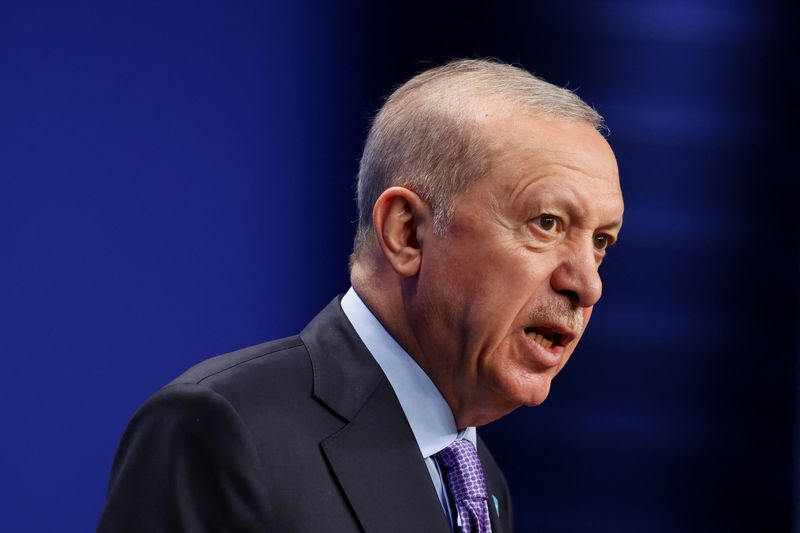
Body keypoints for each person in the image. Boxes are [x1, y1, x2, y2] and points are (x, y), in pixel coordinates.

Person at [97, 58, 624, 533]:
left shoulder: (479, 481)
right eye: (547, 223)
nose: (587, 283)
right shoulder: (225, 431)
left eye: (601, 241)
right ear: (407, 233)